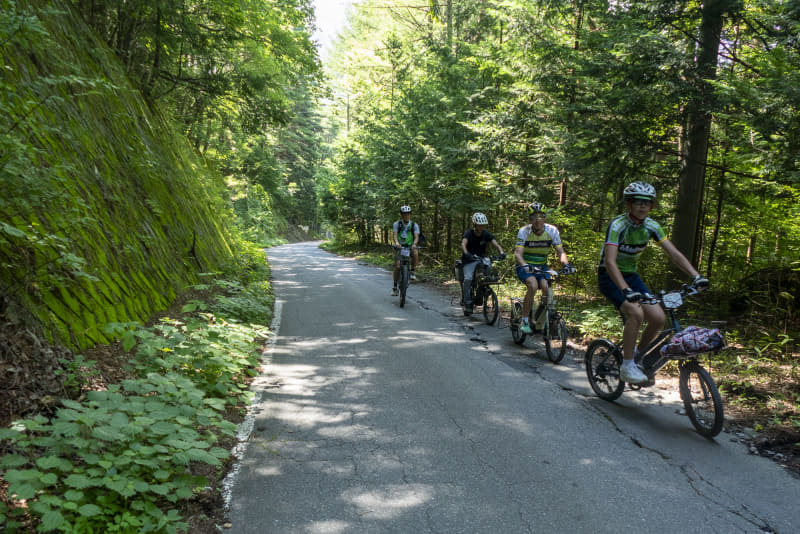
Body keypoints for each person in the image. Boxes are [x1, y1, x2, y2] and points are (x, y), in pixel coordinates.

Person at [598, 181, 709, 384]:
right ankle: (627, 366)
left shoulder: (652, 226)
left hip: (632, 276)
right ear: (629, 204)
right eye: (638, 202)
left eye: (647, 202)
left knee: (658, 318)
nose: (642, 206)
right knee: (636, 313)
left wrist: (696, 276)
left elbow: (674, 253)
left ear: (652, 205)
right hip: (610, 276)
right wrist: (625, 289)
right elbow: (610, 261)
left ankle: (636, 356)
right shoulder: (618, 225)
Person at [514, 202, 575, 334]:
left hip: (541, 267)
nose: (537, 220)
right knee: (533, 285)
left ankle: (539, 321)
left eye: (541, 216)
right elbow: (518, 254)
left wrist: (567, 264)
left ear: (545, 217)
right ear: (530, 219)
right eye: (534, 217)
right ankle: (524, 320)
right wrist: (524, 265)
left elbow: (560, 251)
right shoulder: (524, 231)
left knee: (546, 289)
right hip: (525, 266)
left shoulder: (552, 231)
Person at [460, 212, 506, 314]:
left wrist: (501, 252)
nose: (481, 227)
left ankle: (481, 291)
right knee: (468, 279)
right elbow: (463, 243)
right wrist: (466, 253)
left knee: (487, 275)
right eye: (479, 225)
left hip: (481, 258)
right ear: (475, 225)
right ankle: (467, 302)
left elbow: (496, 244)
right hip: (469, 260)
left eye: (483, 225)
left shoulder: (486, 234)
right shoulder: (468, 233)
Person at [392, 205, 420, 296]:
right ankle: (395, 286)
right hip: (400, 246)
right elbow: (395, 235)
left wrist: (414, 244)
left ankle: (412, 271)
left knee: (415, 253)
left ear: (410, 214)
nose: (406, 216)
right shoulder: (397, 224)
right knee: (397, 266)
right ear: (401, 215)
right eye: (404, 214)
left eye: (408, 214)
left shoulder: (414, 225)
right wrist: (396, 243)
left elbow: (416, 237)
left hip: (410, 246)